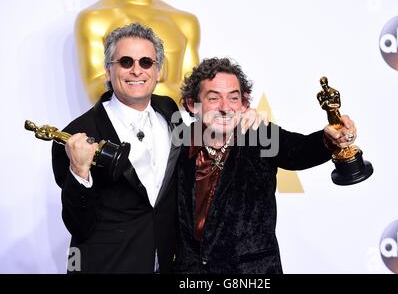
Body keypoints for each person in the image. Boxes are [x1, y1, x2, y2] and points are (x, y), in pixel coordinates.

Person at [52, 24, 264, 273]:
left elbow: (208, 134)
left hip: (166, 265)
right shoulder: (77, 134)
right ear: (109, 71)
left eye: (145, 62)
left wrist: (242, 116)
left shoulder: (168, 110)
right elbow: (78, 224)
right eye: (126, 61)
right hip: (107, 265)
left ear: (158, 71)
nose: (136, 70)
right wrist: (79, 171)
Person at [174, 57, 357, 273]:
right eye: (213, 98)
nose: (225, 108)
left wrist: (329, 140)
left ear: (244, 103)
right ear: (191, 104)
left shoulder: (259, 136)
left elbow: (298, 151)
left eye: (233, 98)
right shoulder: (177, 146)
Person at [75, 0, 200, 103]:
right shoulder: (94, 18)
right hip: (117, 125)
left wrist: (131, 85)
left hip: (173, 126)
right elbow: (97, 92)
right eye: (126, 62)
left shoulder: (185, 22)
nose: (137, 71)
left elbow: (192, 93)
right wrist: (155, 83)